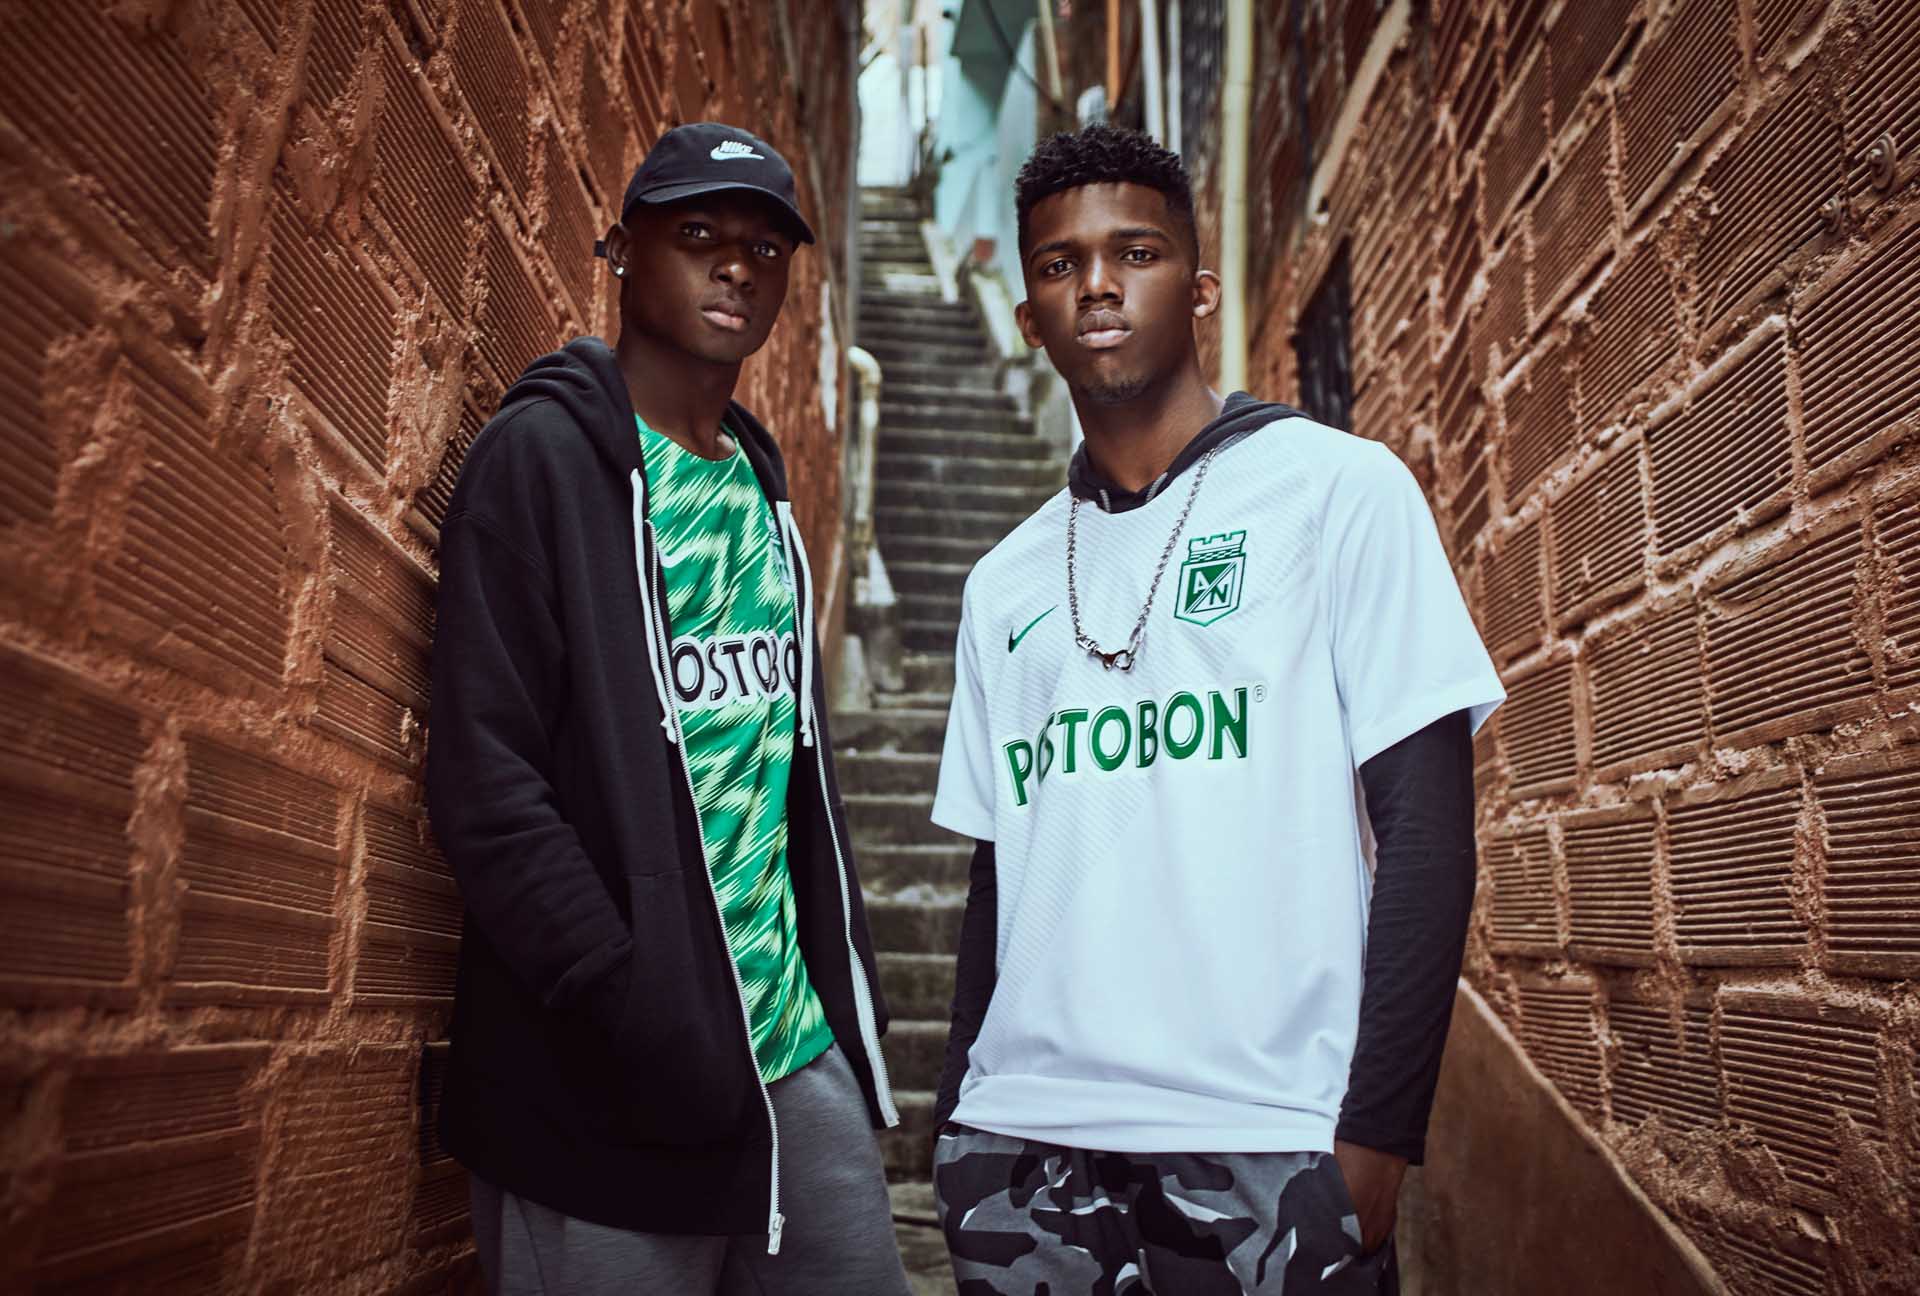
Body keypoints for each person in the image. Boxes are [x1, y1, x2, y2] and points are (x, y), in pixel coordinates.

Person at [929, 123, 1506, 1294]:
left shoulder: (1339, 492)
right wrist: (955, 1124)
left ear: (1198, 289)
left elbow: (1430, 832)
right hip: (1024, 1156)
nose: (1097, 285)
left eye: (1134, 253)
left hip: (1270, 1141)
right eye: (1060, 264)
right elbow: (999, 878)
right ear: (1030, 313)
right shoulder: (1003, 583)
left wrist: (1379, 1138)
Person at [427, 122, 911, 1295]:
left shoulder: (761, 488)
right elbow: (487, 784)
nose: (736, 264)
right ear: (622, 250)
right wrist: (628, 1000)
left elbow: (787, 779)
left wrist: (839, 997)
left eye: (765, 247)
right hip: (604, 1085)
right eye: (698, 233)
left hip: (790, 1055)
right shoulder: (541, 461)